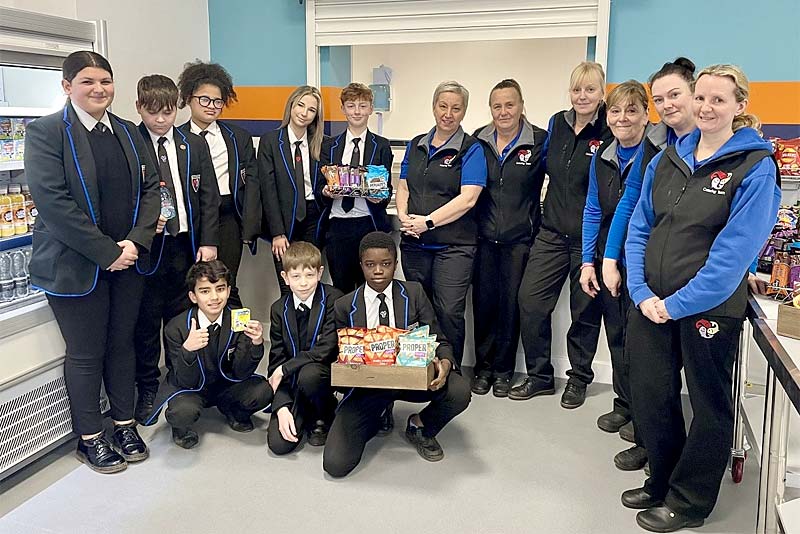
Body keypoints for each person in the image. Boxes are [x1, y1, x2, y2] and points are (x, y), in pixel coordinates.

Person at [621, 64, 781, 533]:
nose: (706, 108)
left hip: (708, 308)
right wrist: (641, 291)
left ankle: (689, 501)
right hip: (651, 302)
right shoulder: (667, 159)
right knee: (651, 394)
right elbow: (640, 226)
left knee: (709, 404)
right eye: (701, 98)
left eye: (718, 100)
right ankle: (662, 479)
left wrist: (675, 305)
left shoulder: (755, 166)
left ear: (739, 105)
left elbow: (734, 254)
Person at [25, 51, 160, 473]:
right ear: (68, 87)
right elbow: (54, 204)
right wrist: (108, 253)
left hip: (128, 263)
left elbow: (152, 190)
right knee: (85, 354)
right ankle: (90, 438)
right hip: (76, 267)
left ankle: (123, 424)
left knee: (121, 346)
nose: (99, 89)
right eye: (88, 81)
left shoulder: (127, 132)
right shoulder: (46, 133)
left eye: (105, 80)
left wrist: (134, 243)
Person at [599, 58, 696, 468]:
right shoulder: (656, 151)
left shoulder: (724, 150)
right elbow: (632, 207)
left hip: (696, 278)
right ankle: (651, 446)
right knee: (651, 372)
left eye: (675, 95)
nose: (667, 104)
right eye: (660, 98)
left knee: (698, 388)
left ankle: (683, 469)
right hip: (650, 271)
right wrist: (609, 258)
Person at [323, 232, 471, 478]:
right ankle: (378, 413)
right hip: (367, 387)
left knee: (459, 390)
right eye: (370, 264)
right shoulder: (344, 306)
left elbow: (439, 338)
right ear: (361, 265)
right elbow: (337, 354)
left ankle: (420, 426)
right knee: (335, 464)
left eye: (386, 263)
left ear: (396, 263)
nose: (378, 271)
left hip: (411, 380)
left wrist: (445, 363)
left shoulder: (414, 293)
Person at [514, 61, 613, 407]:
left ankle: (579, 378)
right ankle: (540, 376)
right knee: (530, 302)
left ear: (602, 93)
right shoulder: (557, 123)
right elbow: (539, 170)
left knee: (584, 311)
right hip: (552, 232)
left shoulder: (609, 128)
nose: (582, 96)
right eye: (576, 89)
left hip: (589, 239)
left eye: (590, 89)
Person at [132, 74, 220, 424]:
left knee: (183, 319)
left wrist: (209, 241)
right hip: (149, 249)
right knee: (147, 322)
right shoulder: (132, 142)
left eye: (167, 112)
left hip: (186, 244)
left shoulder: (191, 144)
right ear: (139, 108)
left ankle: (182, 381)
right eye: (152, 112)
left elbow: (209, 196)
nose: (160, 120)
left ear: (177, 108)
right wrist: (141, 225)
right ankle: (148, 387)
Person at [578, 80, 650, 471]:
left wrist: (619, 262)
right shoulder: (602, 156)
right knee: (616, 334)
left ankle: (644, 413)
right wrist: (588, 262)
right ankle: (624, 404)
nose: (623, 118)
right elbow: (593, 208)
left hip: (641, 259)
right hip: (607, 256)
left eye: (632, 110)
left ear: (646, 115)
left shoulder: (655, 155)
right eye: (616, 111)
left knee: (642, 342)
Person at [396, 81, 487, 366]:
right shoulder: (416, 144)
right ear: (434, 107)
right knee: (419, 312)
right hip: (415, 245)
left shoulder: (471, 149)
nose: (448, 114)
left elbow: (468, 198)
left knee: (448, 312)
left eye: (456, 108)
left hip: (454, 248)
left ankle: (451, 371)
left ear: (464, 111)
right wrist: (403, 215)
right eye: (443, 106)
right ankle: (422, 370)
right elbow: (404, 185)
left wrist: (428, 222)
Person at [471, 79, 547, 397]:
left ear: (521, 106)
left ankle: (503, 371)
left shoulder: (540, 140)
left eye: (510, 105)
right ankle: (483, 368)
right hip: (484, 239)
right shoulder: (478, 140)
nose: (503, 112)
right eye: (497, 106)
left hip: (520, 241)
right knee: (484, 307)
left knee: (510, 309)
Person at [161, 260, 273, 449]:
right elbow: (183, 381)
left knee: (263, 391)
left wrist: (255, 344)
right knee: (181, 412)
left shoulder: (238, 318)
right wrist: (188, 350)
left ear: (228, 291)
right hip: (193, 388)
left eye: (220, 289)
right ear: (193, 296)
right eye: (205, 291)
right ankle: (182, 430)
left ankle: (234, 411)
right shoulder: (176, 327)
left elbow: (241, 372)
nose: (214, 297)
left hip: (226, 384)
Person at [177, 61, 257, 306]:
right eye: (204, 99)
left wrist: (249, 228)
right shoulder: (177, 138)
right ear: (189, 98)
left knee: (226, 282)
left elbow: (252, 184)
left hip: (228, 216)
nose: (211, 106)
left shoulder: (238, 137)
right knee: (193, 284)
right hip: (191, 218)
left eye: (218, 101)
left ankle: (234, 330)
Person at [247, 86, 325, 296]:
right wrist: (277, 233)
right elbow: (267, 189)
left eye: (311, 110)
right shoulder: (271, 141)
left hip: (313, 217)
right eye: (300, 105)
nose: (304, 113)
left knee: (309, 281)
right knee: (288, 283)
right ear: (291, 105)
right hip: (282, 219)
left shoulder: (320, 143)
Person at [317, 83, 394, 293]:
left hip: (368, 223)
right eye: (351, 106)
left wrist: (380, 197)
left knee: (370, 287)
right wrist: (326, 191)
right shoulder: (329, 146)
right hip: (337, 225)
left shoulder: (382, 146)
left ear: (371, 108)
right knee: (340, 288)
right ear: (343, 109)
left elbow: (387, 189)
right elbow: (319, 186)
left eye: (362, 106)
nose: (357, 111)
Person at [266, 242, 342, 454]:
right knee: (279, 445)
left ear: (320, 273)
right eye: (296, 276)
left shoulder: (334, 299)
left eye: (309, 275)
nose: (303, 283)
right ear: (285, 277)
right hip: (293, 385)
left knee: (310, 375)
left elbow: (326, 348)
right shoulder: (278, 309)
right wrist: (281, 407)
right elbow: (276, 361)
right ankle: (303, 411)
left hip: (321, 376)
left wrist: (285, 369)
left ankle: (323, 412)